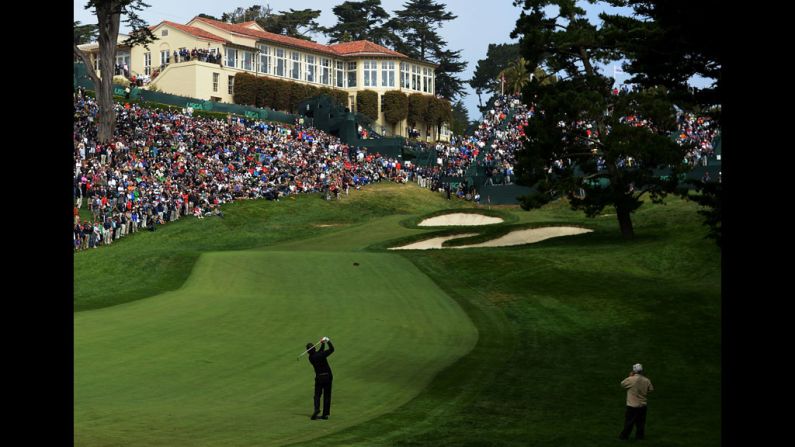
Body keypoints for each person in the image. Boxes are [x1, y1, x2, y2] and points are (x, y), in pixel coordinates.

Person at [619, 363, 654, 440]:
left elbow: (622, 384)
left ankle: (624, 436)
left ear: (633, 371)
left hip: (632, 406)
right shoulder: (646, 380)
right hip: (642, 406)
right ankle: (640, 437)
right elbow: (651, 389)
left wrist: (630, 376)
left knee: (629, 422)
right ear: (641, 371)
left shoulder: (631, 379)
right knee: (641, 423)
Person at [306, 336, 334, 420]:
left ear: (308, 352)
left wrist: (322, 344)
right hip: (327, 376)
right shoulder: (321, 354)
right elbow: (332, 349)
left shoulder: (310, 358)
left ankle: (316, 409)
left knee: (317, 395)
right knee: (327, 395)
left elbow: (319, 352)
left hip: (319, 377)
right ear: (314, 348)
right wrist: (328, 341)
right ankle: (325, 415)